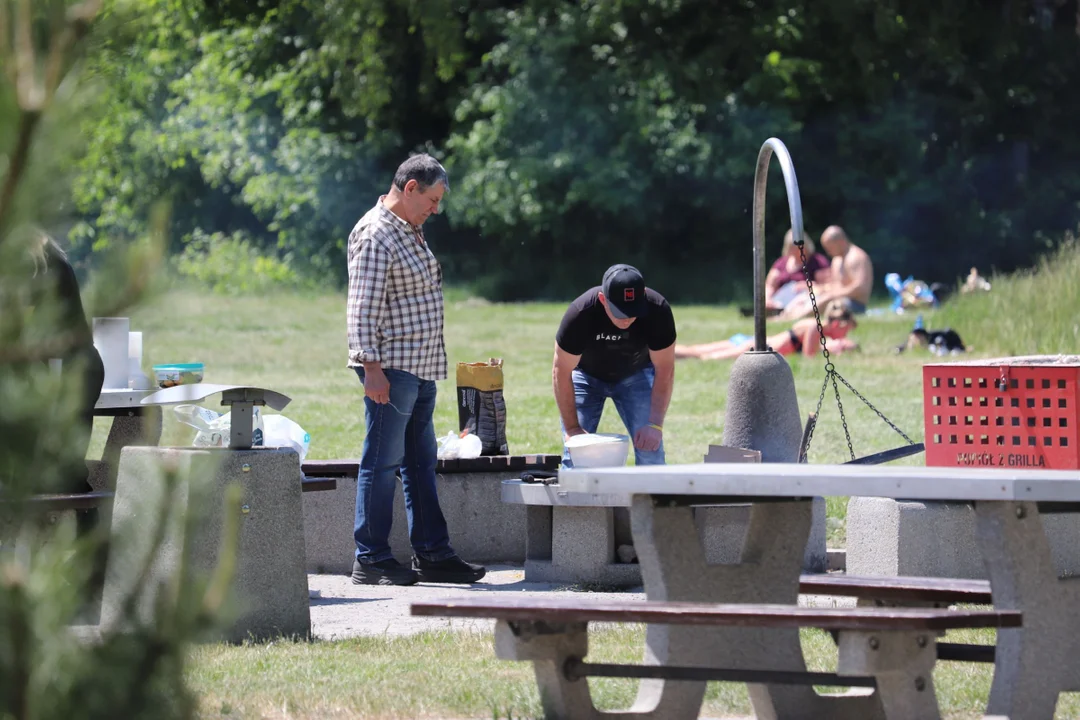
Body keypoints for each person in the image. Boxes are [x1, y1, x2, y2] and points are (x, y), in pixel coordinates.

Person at [346, 154, 485, 586]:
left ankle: (432, 554)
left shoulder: (410, 229)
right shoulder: (376, 233)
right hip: (390, 367)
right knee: (382, 463)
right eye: (433, 199)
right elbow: (362, 308)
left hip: (420, 366)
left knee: (421, 463)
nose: (436, 209)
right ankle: (370, 557)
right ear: (410, 189)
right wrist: (371, 368)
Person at [552, 264, 676, 467]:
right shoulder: (581, 312)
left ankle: (651, 498)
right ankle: (574, 499)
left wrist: (654, 424)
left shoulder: (658, 310)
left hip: (636, 375)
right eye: (619, 311)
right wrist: (573, 428)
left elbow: (665, 369)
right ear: (603, 299)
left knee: (651, 451)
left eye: (633, 310)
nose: (627, 319)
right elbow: (561, 371)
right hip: (585, 377)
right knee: (575, 453)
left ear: (643, 296)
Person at [22, 230, 106, 496]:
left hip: (70, 370)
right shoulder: (46, 257)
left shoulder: (39, 263)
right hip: (71, 368)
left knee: (63, 474)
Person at [675, 300, 858, 361]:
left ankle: (661, 353)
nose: (845, 335)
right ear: (838, 325)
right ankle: (660, 354)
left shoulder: (813, 326)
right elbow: (810, 357)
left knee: (697, 350)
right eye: (846, 331)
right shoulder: (814, 328)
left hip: (753, 343)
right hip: (754, 348)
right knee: (702, 356)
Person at [781, 225, 873, 320]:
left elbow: (861, 288)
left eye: (830, 248)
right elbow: (835, 285)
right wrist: (817, 288)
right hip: (837, 298)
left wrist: (833, 295)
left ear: (840, 242)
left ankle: (795, 318)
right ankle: (785, 315)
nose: (828, 252)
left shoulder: (856, 257)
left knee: (826, 300)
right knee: (806, 296)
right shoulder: (837, 259)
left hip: (854, 304)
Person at [765, 229, 831, 312]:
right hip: (780, 301)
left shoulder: (817, 262)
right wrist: (767, 299)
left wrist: (808, 286)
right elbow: (769, 285)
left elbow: (828, 286)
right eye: (793, 248)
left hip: (805, 300)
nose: (797, 252)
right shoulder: (781, 263)